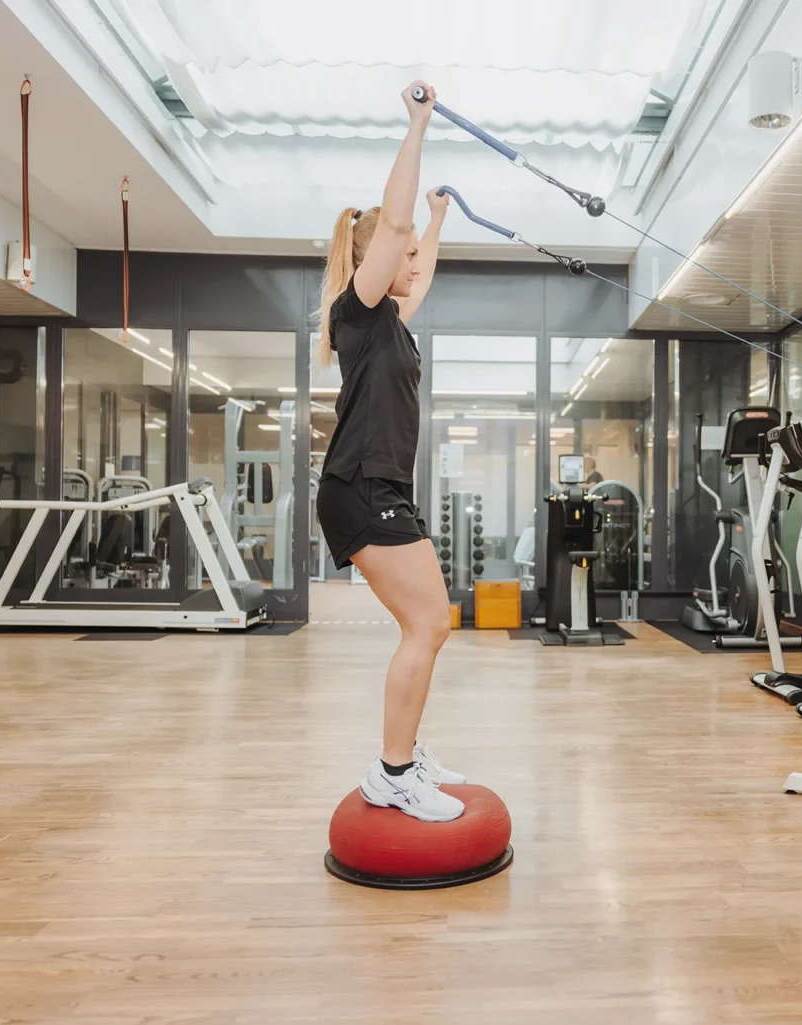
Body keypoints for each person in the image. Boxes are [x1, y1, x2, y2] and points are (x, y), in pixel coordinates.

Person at [313, 82, 465, 823]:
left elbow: (422, 266)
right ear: (377, 256)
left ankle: (405, 755)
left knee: (432, 623)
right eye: (401, 252)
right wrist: (418, 126)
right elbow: (393, 221)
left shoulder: (393, 323)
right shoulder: (359, 309)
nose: (412, 262)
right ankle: (393, 772)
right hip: (359, 486)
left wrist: (436, 222)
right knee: (428, 623)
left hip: (382, 488)